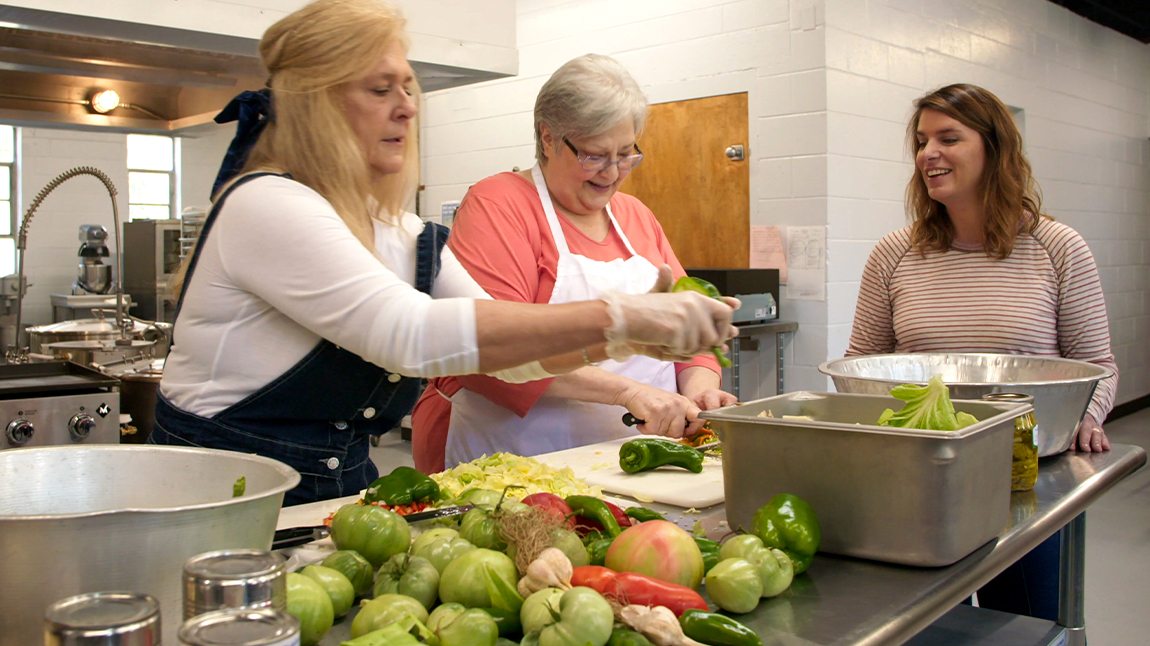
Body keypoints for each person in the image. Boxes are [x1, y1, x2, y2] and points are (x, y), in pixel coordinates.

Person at [150, 0, 738, 506]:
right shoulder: (268, 205)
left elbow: (503, 359)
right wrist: (622, 320)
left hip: (335, 487)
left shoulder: (397, 229)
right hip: (224, 498)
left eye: (409, 86)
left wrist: (628, 341)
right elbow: (414, 334)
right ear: (315, 104)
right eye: (381, 89)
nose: (407, 106)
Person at [847, 83, 1118, 620]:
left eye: (948, 138)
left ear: (995, 150)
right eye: (922, 142)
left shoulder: (1058, 248)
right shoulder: (894, 254)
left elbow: (1099, 367)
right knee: (925, 628)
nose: (929, 154)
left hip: (1023, 480)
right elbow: (861, 364)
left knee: (1027, 625)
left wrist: (1085, 416)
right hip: (917, 479)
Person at [411, 54, 737, 472]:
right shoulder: (500, 204)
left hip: (633, 461)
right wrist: (628, 392)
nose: (612, 173)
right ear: (548, 138)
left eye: (626, 154)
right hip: (516, 460)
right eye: (595, 156)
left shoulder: (636, 215)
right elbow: (488, 354)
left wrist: (700, 390)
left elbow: (684, 329)